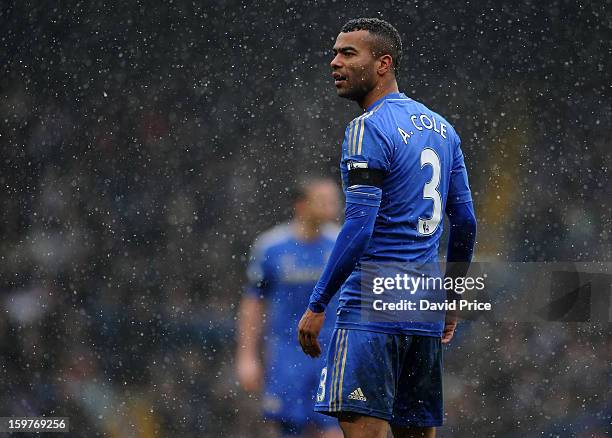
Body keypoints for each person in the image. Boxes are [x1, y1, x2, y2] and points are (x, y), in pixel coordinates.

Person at [297, 18, 477, 438]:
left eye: (348, 53)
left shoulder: (367, 128)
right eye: (334, 52)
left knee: (365, 429)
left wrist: (318, 302)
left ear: (383, 64)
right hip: (423, 305)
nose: (334, 62)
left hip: (372, 306)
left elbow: (359, 226)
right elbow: (465, 222)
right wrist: (450, 298)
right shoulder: (443, 130)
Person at [236, 178, 344, 438]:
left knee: (334, 428)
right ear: (301, 205)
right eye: (323, 201)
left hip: (332, 350)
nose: (332, 207)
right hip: (286, 352)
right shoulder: (271, 246)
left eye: (334, 201)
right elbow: (253, 303)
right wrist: (246, 355)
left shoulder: (343, 243)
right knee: (287, 428)